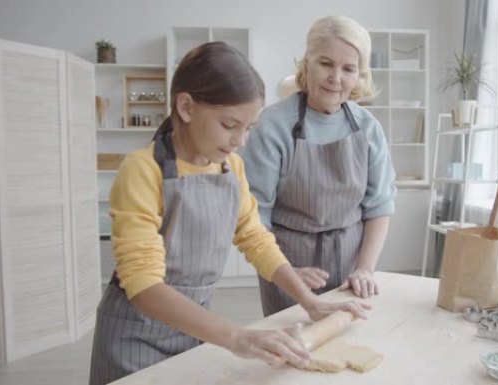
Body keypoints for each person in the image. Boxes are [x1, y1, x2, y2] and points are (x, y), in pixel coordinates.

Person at [89, 42, 369, 385]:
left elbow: (255, 239)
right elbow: (144, 286)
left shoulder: (229, 168)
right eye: (229, 125)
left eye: (249, 128)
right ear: (187, 107)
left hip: (194, 328)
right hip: (134, 336)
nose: (241, 140)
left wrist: (308, 300)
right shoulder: (143, 171)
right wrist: (237, 337)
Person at [241, 15, 397, 317]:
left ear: (359, 76)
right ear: (306, 64)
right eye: (325, 63)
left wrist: (364, 269)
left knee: (348, 345)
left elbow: (379, 206)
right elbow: (255, 214)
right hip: (288, 262)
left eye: (348, 68)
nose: (335, 77)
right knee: (291, 349)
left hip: (352, 261)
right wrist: (285, 272)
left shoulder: (368, 127)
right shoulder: (273, 125)